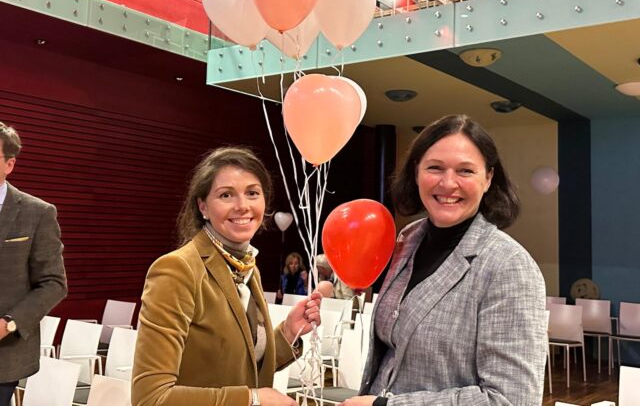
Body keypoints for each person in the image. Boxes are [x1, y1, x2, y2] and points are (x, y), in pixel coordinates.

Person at [342, 115, 546, 406]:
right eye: (435, 168)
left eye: (465, 171)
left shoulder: (509, 266)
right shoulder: (408, 239)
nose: (448, 183)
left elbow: (512, 400)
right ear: (416, 173)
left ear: (488, 178)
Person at [132, 147, 321, 406]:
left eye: (252, 193)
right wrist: (251, 399)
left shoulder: (247, 267)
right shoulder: (177, 270)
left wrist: (288, 332)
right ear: (203, 206)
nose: (242, 206)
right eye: (226, 195)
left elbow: (240, 366)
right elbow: (151, 397)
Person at [0, 122, 67, 406]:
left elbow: (53, 283)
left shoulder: (37, 213)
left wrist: (8, 324)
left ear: (9, 164)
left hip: (4, 354)